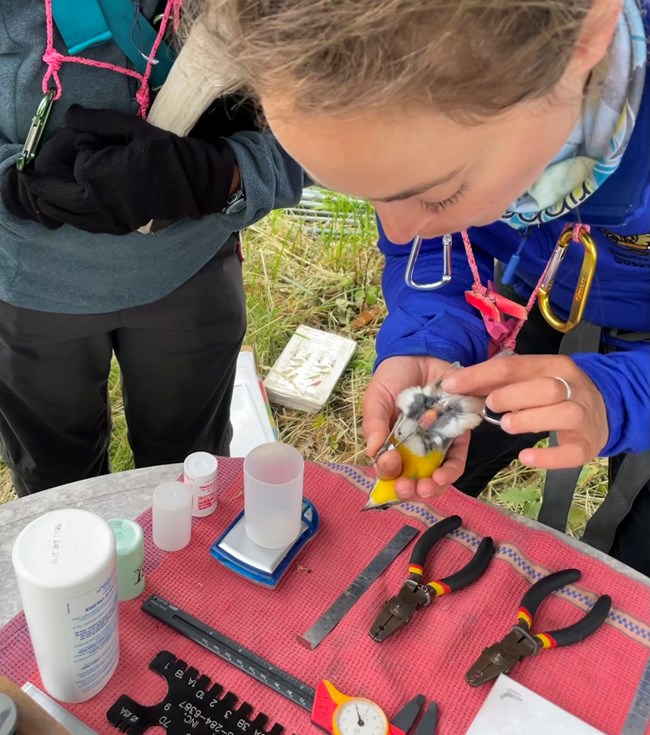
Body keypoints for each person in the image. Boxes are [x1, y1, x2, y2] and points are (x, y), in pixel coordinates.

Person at [205, 0, 650, 572]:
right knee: (447, 469)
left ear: (589, 34)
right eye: (372, 194)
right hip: (538, 299)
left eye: (437, 193)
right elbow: (438, 247)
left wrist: (623, 396)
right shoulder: (469, 117)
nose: (395, 231)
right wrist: (433, 332)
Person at [0, 1, 303, 496]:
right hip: (30, 285)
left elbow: (336, 118)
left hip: (189, 270)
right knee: (57, 489)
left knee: (190, 475)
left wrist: (225, 174)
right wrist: (13, 185)